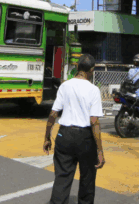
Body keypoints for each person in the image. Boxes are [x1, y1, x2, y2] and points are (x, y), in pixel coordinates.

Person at [43, 54, 104, 204]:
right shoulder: (93, 90)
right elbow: (94, 121)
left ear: (77, 67)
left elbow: (53, 113)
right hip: (85, 137)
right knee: (87, 178)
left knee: (62, 177)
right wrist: (100, 150)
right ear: (92, 70)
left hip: (65, 134)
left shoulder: (65, 86)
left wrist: (47, 136)